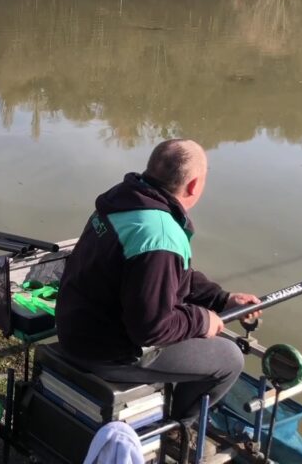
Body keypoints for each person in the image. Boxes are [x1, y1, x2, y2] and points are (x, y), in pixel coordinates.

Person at [56, 138, 262, 422]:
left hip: (74, 329)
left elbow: (169, 274)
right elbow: (151, 329)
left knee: (199, 334)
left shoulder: (125, 199)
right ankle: (177, 429)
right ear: (193, 186)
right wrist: (203, 320)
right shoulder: (160, 235)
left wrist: (221, 299)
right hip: (104, 352)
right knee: (229, 358)